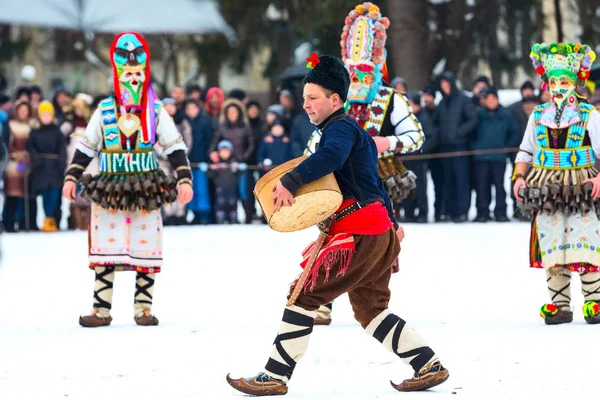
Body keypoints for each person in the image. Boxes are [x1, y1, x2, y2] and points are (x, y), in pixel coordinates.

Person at [226, 54, 448, 396]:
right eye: (304, 99)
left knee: (304, 294)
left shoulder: (341, 129)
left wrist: (292, 179)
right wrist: (392, 224)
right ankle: (427, 364)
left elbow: (329, 157)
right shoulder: (349, 130)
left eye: (313, 98)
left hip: (359, 232)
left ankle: (275, 375)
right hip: (376, 231)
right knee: (371, 310)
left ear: (335, 100)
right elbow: (373, 183)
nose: (306, 105)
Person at [302, 2, 426, 324]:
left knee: (374, 238)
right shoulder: (336, 105)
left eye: (365, 71)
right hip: (335, 181)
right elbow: (317, 143)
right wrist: (304, 167)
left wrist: (387, 142)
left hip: (376, 179)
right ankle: (323, 300)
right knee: (334, 235)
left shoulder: (390, 99)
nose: (358, 78)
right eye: (352, 71)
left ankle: (372, 300)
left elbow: (416, 137)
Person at [62, 32, 193, 327]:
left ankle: (143, 308)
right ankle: (101, 309)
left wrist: (184, 180)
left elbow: (174, 145)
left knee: (145, 243)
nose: (132, 80)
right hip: (109, 186)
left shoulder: (156, 110)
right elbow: (86, 146)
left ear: (144, 75)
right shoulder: (104, 110)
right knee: (106, 247)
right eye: (127, 74)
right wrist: (71, 177)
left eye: (137, 74)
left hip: (146, 186)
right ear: (117, 76)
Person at [513, 42, 600, 324]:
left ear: (575, 82)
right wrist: (520, 176)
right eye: (554, 81)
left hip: (580, 184)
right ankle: (560, 304)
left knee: (585, 239)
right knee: (552, 241)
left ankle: (594, 302)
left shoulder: (589, 114)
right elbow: (526, 150)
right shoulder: (538, 115)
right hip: (546, 184)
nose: (558, 86)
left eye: (564, 81)